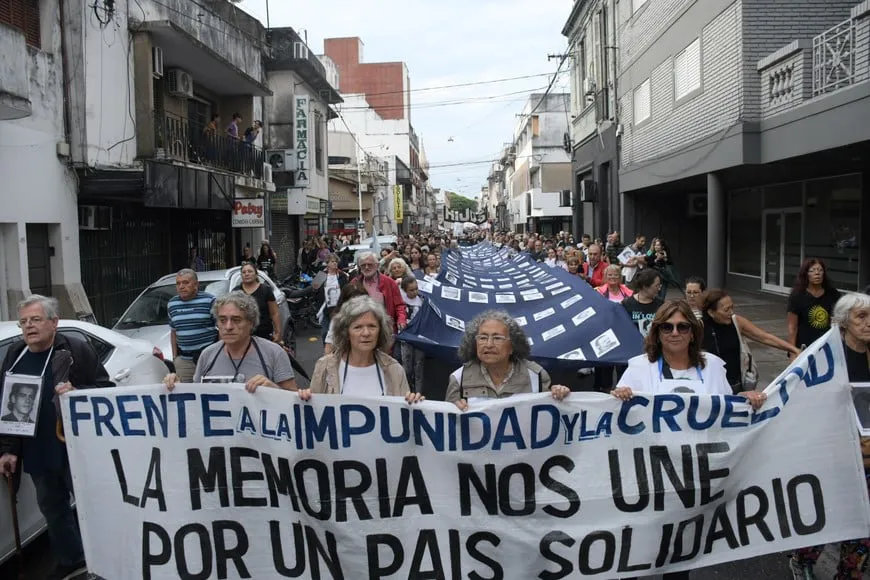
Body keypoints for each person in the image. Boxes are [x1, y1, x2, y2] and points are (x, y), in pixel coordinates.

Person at [0, 295, 113, 580]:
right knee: (54, 511)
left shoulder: (74, 349)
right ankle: (71, 563)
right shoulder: (15, 354)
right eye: (23, 322)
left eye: (35, 320)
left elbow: (104, 387)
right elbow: (7, 407)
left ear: (53, 323)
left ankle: (109, 561)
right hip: (38, 451)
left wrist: (77, 391)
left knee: (93, 507)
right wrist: (9, 450)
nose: (28, 327)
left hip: (76, 448)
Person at [790, 292, 870, 579]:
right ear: (843, 323)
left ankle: (849, 573)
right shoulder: (823, 357)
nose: (869, 323)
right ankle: (804, 558)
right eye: (862, 317)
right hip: (832, 456)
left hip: (867, 460)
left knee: (862, 527)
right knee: (826, 517)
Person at [163, 292, 296, 392]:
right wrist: (176, 388)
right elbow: (197, 398)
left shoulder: (273, 353)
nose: (228, 327)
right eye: (222, 320)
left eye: (236, 320)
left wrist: (272, 388)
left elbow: (293, 401)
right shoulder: (207, 355)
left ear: (251, 323)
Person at [300, 296, 422, 402]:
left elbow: (405, 418)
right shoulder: (325, 367)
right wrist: (305, 400)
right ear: (346, 332)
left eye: (372, 326)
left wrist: (413, 404)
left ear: (380, 331)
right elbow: (314, 414)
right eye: (358, 327)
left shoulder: (394, 370)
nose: (366, 333)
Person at [445, 310, 570, 408]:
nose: (489, 344)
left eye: (498, 338)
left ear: (512, 346)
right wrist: (454, 410)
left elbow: (548, 421)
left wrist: (559, 396)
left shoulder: (536, 376)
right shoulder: (459, 379)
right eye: (483, 338)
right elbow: (447, 426)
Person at [701, 289, 801, 393]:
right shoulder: (700, 328)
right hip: (712, 386)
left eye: (732, 307)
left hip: (737, 385)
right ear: (711, 312)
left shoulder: (736, 321)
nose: (731, 312)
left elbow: (765, 337)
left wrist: (794, 350)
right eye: (726, 310)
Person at [168, 269, 218, 382]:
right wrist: (175, 357)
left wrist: (218, 355)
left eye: (185, 282)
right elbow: (173, 332)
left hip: (208, 358)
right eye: (178, 283)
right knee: (187, 395)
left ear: (196, 284)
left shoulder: (210, 301)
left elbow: (221, 329)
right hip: (184, 361)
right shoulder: (172, 304)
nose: (181, 286)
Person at [787, 258, 841, 356]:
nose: (817, 273)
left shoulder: (833, 294)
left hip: (827, 346)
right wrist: (792, 352)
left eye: (820, 270)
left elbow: (839, 319)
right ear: (806, 274)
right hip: (805, 347)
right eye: (812, 271)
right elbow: (792, 327)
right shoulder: (797, 296)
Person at [352, 251, 407, 335]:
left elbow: (399, 305)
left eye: (370, 264)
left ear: (377, 265)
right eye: (363, 265)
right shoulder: (354, 283)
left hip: (385, 331)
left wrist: (401, 319)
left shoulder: (389, 282)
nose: (366, 267)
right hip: (362, 332)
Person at [233, 263, 281, 342]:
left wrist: (278, 332)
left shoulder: (265, 290)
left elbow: (274, 313)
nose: (247, 274)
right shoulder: (236, 292)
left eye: (250, 271)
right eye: (244, 272)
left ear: (256, 274)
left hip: (263, 334)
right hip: (242, 335)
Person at [324, 283, 370, 355]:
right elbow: (329, 345)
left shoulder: (372, 317)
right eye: (352, 301)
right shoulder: (338, 320)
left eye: (361, 300)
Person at [621, 268, 664, 338]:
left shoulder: (661, 304)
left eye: (660, 285)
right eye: (657, 285)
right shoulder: (627, 304)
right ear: (645, 287)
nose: (659, 289)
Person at [400, 276, 426, 394]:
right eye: (411, 290)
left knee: (419, 366)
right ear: (405, 290)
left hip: (419, 338)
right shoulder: (402, 301)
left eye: (416, 289)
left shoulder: (422, 300)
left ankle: (418, 392)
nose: (414, 292)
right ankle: (407, 391)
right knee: (407, 367)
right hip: (406, 338)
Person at [318, 254, 350, 344]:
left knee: (340, 332)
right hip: (326, 308)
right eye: (332, 261)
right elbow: (314, 288)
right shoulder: (321, 275)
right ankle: (327, 352)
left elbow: (346, 290)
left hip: (339, 308)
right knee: (325, 333)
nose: (335, 263)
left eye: (336, 261)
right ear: (327, 263)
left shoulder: (343, 275)